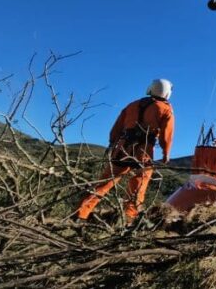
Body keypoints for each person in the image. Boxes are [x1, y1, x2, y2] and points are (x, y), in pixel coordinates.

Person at [75, 79, 175, 223]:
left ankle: (80, 213)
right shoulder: (165, 108)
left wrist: (112, 144)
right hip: (143, 151)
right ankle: (128, 219)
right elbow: (166, 136)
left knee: (104, 182)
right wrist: (166, 153)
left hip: (123, 147)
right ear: (167, 93)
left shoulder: (132, 105)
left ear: (151, 89)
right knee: (138, 186)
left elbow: (117, 128)